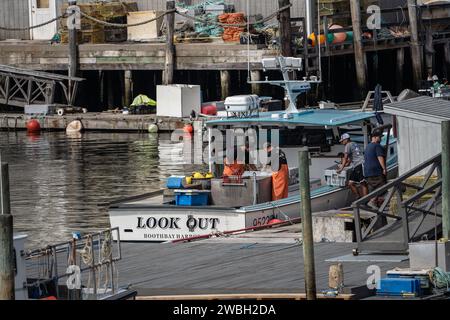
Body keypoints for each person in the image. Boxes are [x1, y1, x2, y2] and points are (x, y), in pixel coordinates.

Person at [337, 133, 368, 199]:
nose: (342, 142)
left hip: (359, 164)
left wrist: (341, 168)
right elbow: (352, 158)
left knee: (363, 183)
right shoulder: (355, 143)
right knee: (350, 183)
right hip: (358, 165)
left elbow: (345, 157)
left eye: (342, 141)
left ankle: (365, 200)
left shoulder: (347, 145)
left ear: (346, 139)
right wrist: (345, 165)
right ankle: (358, 197)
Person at [363, 129, 387, 208]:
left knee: (373, 189)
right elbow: (380, 157)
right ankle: (372, 201)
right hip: (376, 171)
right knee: (383, 186)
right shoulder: (377, 146)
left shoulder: (367, 147)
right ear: (376, 137)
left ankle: (375, 204)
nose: (380, 139)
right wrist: (384, 168)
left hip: (367, 172)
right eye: (380, 137)